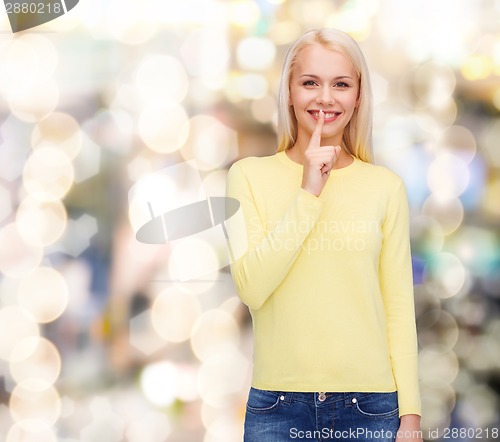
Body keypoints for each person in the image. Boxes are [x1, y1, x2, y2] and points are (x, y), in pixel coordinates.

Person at [225, 28, 422, 442]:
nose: (326, 98)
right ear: (290, 91)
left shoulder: (385, 187)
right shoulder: (248, 176)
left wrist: (411, 418)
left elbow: (399, 311)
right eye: (310, 82)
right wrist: (308, 192)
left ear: (358, 97)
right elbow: (252, 288)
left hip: (370, 409)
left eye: (341, 84)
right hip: (277, 407)